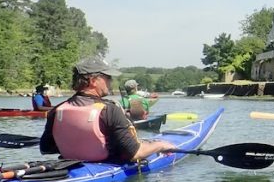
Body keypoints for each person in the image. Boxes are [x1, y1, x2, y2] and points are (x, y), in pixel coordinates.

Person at [40, 56, 174, 163]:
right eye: (107, 77)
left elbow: (46, 148)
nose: (110, 82)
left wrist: (77, 143)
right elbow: (134, 153)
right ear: (93, 80)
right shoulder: (110, 110)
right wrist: (160, 145)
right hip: (104, 175)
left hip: (70, 168)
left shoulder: (57, 110)